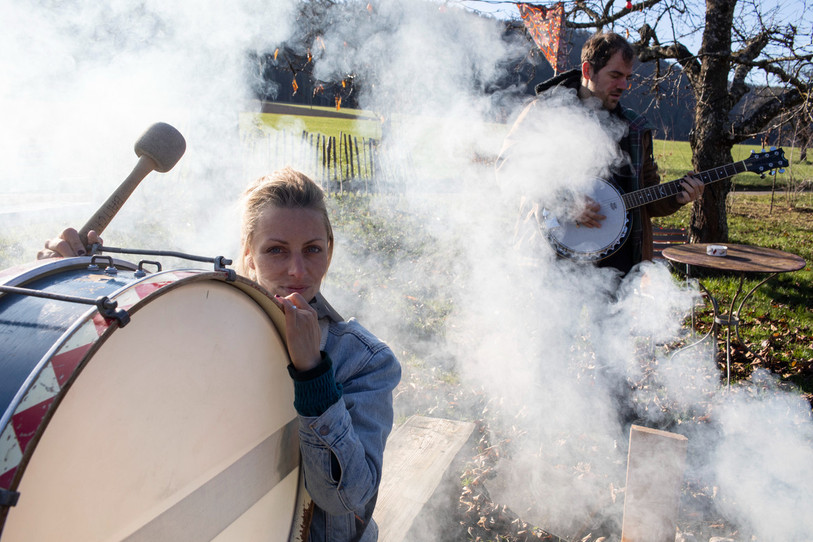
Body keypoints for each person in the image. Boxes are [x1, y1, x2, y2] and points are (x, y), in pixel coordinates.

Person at [39, 167, 402, 542]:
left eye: (312, 249)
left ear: (329, 250)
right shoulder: (204, 328)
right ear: (249, 254)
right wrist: (70, 280)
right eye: (276, 250)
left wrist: (313, 374)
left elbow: (345, 498)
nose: (297, 270)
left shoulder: (364, 361)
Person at [497, 31, 705, 275]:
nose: (623, 85)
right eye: (615, 76)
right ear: (588, 71)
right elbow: (509, 168)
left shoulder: (635, 129)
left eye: (627, 77)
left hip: (619, 270)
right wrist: (564, 201)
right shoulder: (545, 112)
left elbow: (647, 197)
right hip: (551, 264)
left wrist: (676, 197)